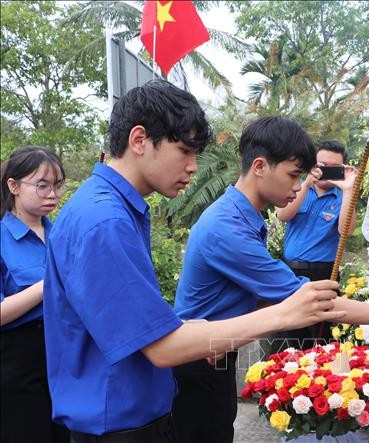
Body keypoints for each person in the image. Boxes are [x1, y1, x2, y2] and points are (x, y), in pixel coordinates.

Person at [42, 80, 343, 443]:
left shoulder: (111, 208)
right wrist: (284, 313)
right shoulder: (104, 220)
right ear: (139, 140)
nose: (193, 168)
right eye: (184, 151)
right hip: (118, 422)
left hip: (133, 410)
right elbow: (163, 347)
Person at [172, 116, 369, 443]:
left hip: (215, 350)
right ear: (260, 166)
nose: (299, 185)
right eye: (293, 175)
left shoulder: (241, 215)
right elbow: (312, 302)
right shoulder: (227, 229)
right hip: (198, 362)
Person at [0, 146, 69, 443]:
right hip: (18, 362)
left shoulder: (61, 233)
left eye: (57, 185)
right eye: (42, 185)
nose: (52, 194)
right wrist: (46, 285)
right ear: (13, 186)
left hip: (65, 356)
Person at [273, 140, 357, 350]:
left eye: (332, 167)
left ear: (342, 169)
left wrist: (348, 190)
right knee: (290, 337)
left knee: (322, 339)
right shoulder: (298, 187)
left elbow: (345, 231)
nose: (324, 171)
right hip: (290, 272)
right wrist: (307, 183)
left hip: (324, 274)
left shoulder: (343, 195)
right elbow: (283, 214)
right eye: (321, 165)